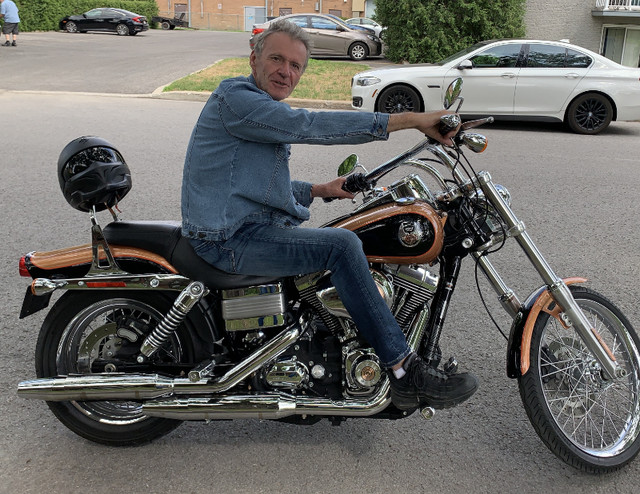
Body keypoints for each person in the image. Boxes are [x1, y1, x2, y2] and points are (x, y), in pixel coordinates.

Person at [182, 19, 478, 411]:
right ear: (253, 59)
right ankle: (405, 370)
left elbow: (253, 184)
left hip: (242, 226)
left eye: (296, 66)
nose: (286, 71)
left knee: (343, 238)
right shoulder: (237, 99)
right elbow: (307, 124)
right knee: (341, 246)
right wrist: (412, 120)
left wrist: (321, 190)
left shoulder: (255, 109)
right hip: (228, 238)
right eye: (276, 59)